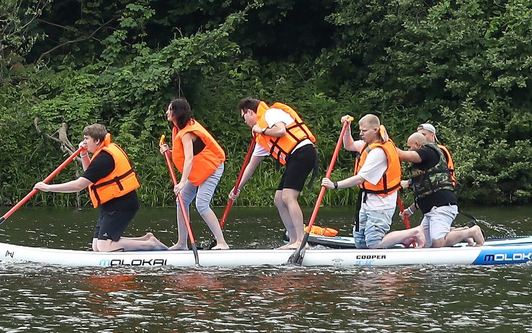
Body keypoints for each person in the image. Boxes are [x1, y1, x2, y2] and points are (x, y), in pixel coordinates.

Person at [32, 124, 169, 252]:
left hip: (122, 203)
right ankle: (146, 239)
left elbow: (80, 185)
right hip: (110, 204)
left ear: (97, 141)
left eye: (87, 139)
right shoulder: (101, 154)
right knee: (96, 246)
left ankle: (150, 245)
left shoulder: (105, 158)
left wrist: (48, 188)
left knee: (104, 246)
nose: (84, 142)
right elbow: (90, 174)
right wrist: (84, 154)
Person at [378, 124, 487, 250]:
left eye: (409, 147)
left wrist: (386, 144)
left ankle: (472, 231)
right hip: (431, 210)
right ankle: (463, 232)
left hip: (441, 206)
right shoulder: (424, 160)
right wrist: (411, 209)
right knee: (426, 244)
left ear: (418, 145)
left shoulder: (428, 152)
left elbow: (402, 155)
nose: (408, 149)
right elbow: (425, 190)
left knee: (438, 243)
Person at [238, 97, 321, 247]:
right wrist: (237, 188)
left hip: (303, 151)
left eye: (244, 117)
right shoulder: (261, 138)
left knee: (288, 196)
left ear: (250, 112)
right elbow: (251, 165)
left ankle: (302, 241)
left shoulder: (271, 113)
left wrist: (261, 129)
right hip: (295, 156)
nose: (245, 122)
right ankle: (293, 240)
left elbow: (281, 131)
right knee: (278, 199)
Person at [160, 97, 232, 249]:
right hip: (199, 171)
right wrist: (169, 152)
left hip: (212, 169)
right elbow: (185, 156)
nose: (167, 112)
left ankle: (222, 243)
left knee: (201, 204)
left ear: (177, 113)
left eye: (170, 109)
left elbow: (190, 158)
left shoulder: (187, 133)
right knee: (181, 201)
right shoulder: (180, 129)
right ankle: (181, 243)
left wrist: (182, 182)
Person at [324, 114, 406, 246]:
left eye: (364, 131)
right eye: (360, 130)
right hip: (366, 202)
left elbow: (360, 178)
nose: (361, 133)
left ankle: (413, 233)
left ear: (375, 130)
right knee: (360, 242)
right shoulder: (366, 144)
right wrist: (347, 129)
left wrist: (335, 185)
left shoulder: (378, 152)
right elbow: (349, 145)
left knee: (373, 243)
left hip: (381, 205)